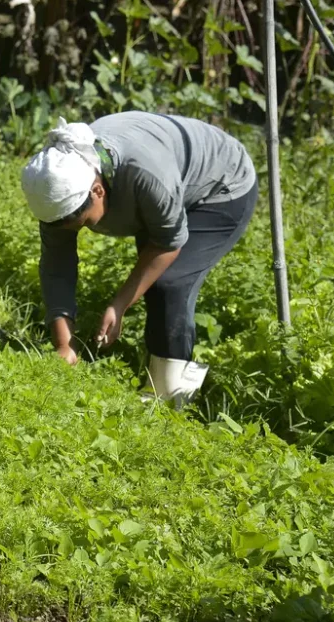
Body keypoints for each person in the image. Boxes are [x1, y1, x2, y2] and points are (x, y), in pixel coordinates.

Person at [20, 112, 257, 406]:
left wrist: (119, 305)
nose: (80, 229)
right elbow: (57, 263)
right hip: (166, 183)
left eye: (82, 221)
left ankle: (169, 397)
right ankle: (158, 374)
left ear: (98, 190)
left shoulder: (144, 174)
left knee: (169, 282)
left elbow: (168, 243)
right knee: (153, 279)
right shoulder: (55, 186)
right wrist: (64, 344)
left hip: (221, 185)